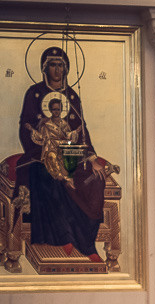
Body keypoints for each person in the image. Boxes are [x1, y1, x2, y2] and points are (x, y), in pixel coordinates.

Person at [17, 46, 107, 261]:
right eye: (52, 65)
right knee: (51, 177)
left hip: (70, 153)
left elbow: (81, 129)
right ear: (44, 68)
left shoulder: (72, 96)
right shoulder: (34, 93)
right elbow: (25, 126)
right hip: (41, 154)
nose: (57, 70)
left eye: (61, 65)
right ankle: (63, 236)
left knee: (94, 180)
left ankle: (86, 241)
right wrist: (42, 143)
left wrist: (92, 158)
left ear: (66, 69)